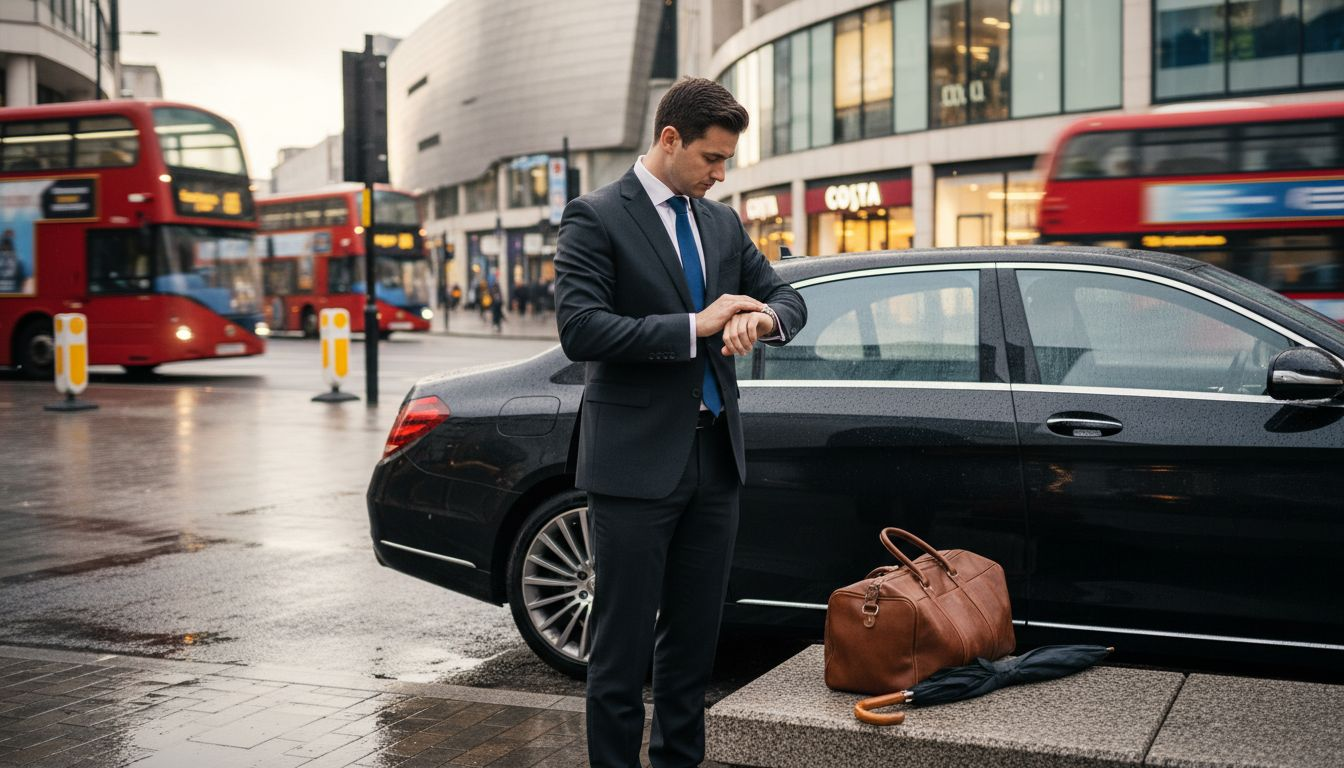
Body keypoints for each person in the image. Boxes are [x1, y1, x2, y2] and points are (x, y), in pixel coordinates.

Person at [554, 77, 806, 768]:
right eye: (711, 158)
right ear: (670, 139)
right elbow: (581, 328)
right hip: (634, 464)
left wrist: (765, 316)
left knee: (694, 645)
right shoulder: (596, 215)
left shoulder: (720, 222)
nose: (720, 174)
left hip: (714, 462)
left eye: (726, 160)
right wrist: (697, 325)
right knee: (620, 650)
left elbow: (787, 293)